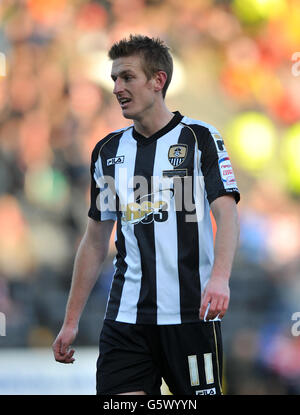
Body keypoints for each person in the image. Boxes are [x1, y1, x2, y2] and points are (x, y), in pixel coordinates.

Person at [52, 34, 240, 396]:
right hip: (126, 320)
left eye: (127, 77)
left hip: (190, 315)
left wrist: (220, 279)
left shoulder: (199, 138)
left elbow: (228, 215)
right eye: (114, 80)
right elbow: (94, 241)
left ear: (158, 81)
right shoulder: (107, 151)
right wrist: (71, 321)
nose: (117, 88)